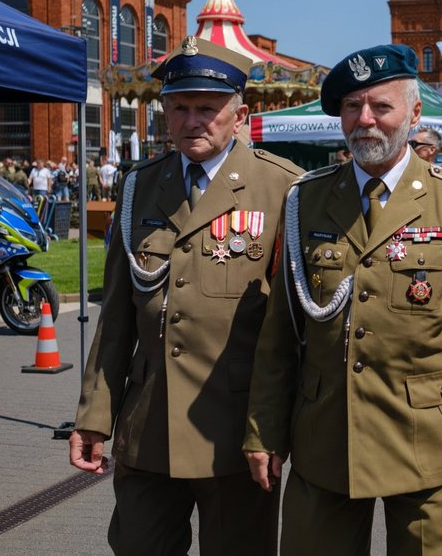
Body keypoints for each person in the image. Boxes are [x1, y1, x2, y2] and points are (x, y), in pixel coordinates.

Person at [243, 44, 442, 555]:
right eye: (352, 107)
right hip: (324, 441)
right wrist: (263, 431)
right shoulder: (305, 198)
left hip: (421, 443)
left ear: (414, 114)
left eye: (380, 107)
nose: (365, 120)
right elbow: (279, 333)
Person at [69, 36, 300, 555]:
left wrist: (281, 429)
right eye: (179, 107)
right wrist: (93, 416)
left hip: (235, 433)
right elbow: (115, 321)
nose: (192, 121)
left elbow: (294, 329)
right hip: (147, 426)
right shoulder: (139, 186)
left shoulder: (284, 189)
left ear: (239, 114)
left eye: (207, 108)